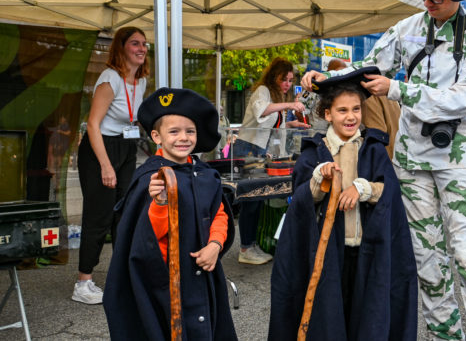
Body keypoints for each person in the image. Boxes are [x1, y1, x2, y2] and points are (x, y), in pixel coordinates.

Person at [301, 0, 466, 339]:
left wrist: (397, 90)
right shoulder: (409, 28)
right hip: (413, 163)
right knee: (427, 263)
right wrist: (323, 80)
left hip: (460, 163)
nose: (428, 2)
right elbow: (367, 67)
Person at [269, 71, 418, 340]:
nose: (351, 116)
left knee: (365, 315)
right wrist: (320, 178)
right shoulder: (315, 152)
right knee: (329, 316)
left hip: (365, 253)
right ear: (327, 114)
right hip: (329, 256)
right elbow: (301, 201)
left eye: (356, 109)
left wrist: (363, 188)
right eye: (342, 110)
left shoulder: (372, 148)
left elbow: (390, 192)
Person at [103, 88, 237, 340]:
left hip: (204, 272)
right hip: (165, 282)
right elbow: (144, 240)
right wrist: (160, 203)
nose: (183, 138)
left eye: (190, 131)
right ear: (157, 136)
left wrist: (215, 245)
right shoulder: (150, 178)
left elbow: (219, 214)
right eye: (174, 131)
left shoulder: (206, 175)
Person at [73, 26, 149, 304]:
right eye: (135, 44)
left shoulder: (140, 81)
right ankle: (83, 283)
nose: (141, 49)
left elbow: (136, 118)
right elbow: (92, 124)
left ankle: (121, 275)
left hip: (125, 146)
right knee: (99, 215)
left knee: (124, 212)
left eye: (144, 44)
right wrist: (105, 166)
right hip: (99, 149)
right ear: (121, 48)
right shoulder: (110, 78)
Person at [234, 57, 309, 265]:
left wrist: (292, 123)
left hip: (262, 151)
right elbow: (263, 110)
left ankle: (251, 244)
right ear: (274, 76)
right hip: (249, 148)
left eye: (290, 80)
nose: (287, 84)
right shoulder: (263, 91)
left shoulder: (276, 96)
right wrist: (291, 104)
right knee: (251, 199)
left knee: (257, 199)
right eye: (284, 79)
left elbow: (274, 122)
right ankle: (246, 248)